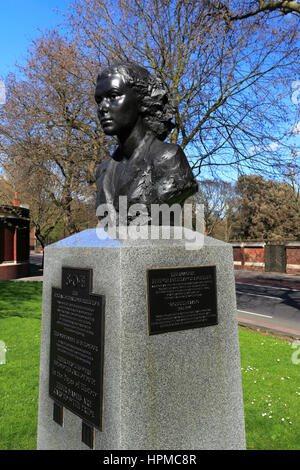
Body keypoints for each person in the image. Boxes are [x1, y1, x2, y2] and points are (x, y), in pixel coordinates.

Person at [94, 62, 198, 224]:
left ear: (141, 102)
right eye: (99, 100)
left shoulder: (169, 159)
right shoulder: (102, 171)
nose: (102, 107)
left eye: (113, 96)